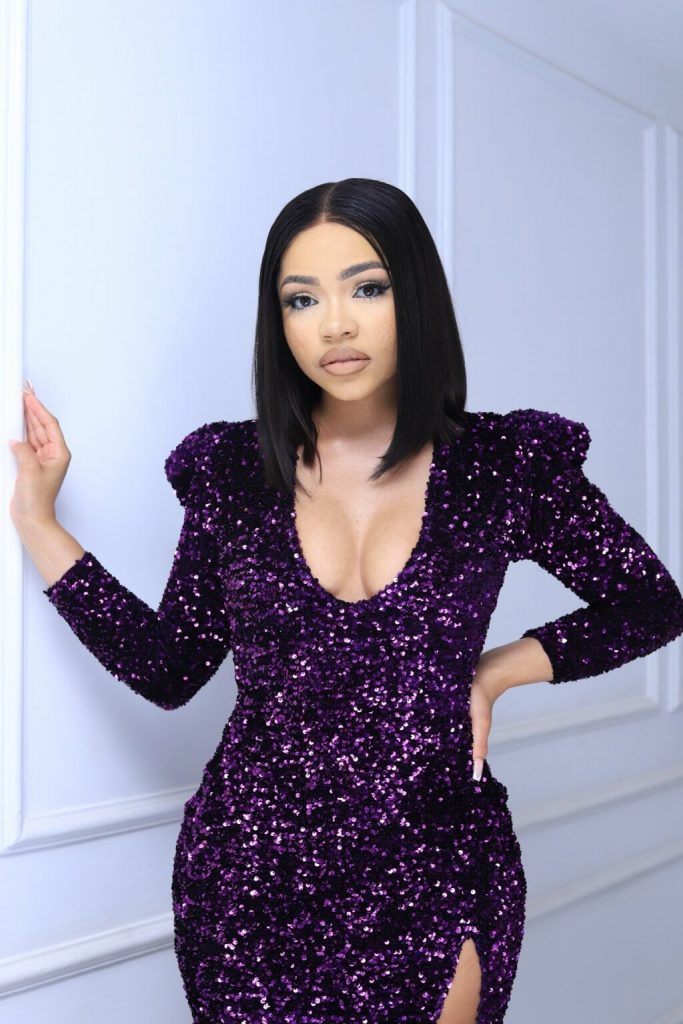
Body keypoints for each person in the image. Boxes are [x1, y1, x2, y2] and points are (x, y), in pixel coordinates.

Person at [9, 177, 683, 1024]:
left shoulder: (502, 465)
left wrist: (493, 672)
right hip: (249, 880)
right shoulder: (233, 472)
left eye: (367, 288)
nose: (333, 324)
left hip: (435, 862)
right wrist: (39, 523)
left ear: (416, 296)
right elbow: (169, 666)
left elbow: (648, 604)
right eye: (302, 299)